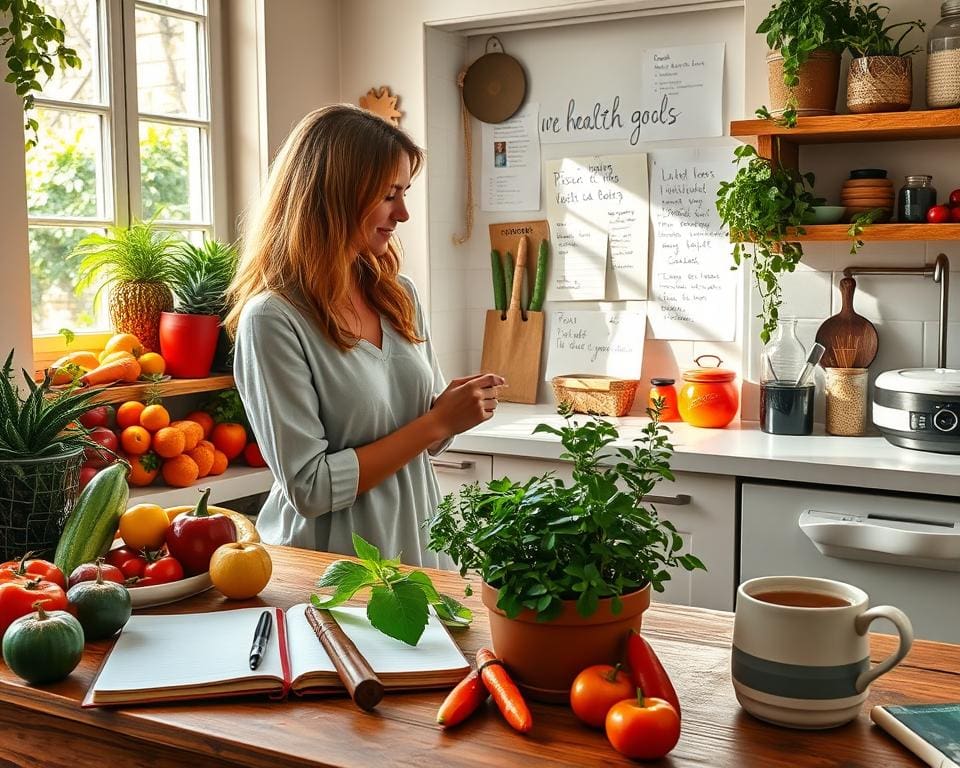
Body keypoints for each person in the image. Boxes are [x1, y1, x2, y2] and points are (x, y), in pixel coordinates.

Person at [225, 104, 503, 568]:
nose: (404, 214)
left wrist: (450, 412)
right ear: (336, 193)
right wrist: (435, 423)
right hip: (331, 570)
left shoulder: (400, 296)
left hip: (419, 551)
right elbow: (309, 488)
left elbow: (422, 434)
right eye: (389, 194)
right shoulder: (273, 318)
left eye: (405, 192)